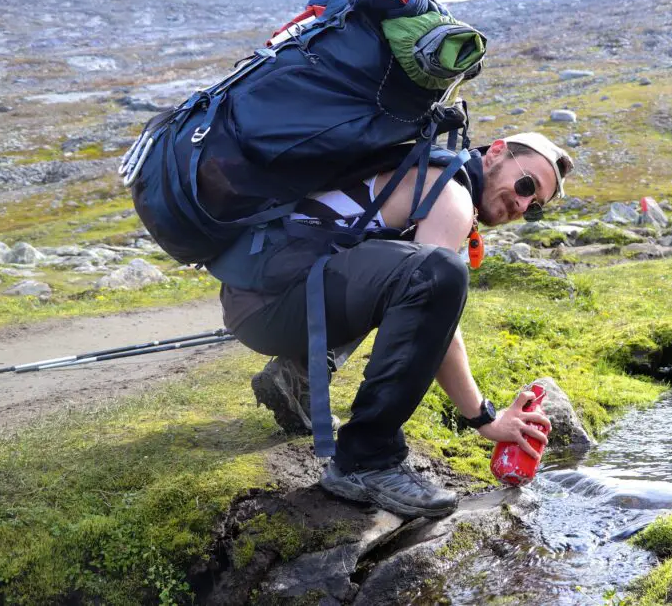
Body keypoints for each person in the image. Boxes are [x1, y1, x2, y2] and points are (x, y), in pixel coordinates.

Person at [216, 132, 574, 518]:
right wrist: (485, 418)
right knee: (438, 274)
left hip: (260, 293)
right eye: (525, 185)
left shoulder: (429, 172)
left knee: (401, 275)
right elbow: (436, 309)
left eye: (533, 207)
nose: (521, 204)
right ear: (496, 152)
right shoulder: (450, 193)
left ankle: (297, 375)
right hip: (270, 305)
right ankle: (367, 459)